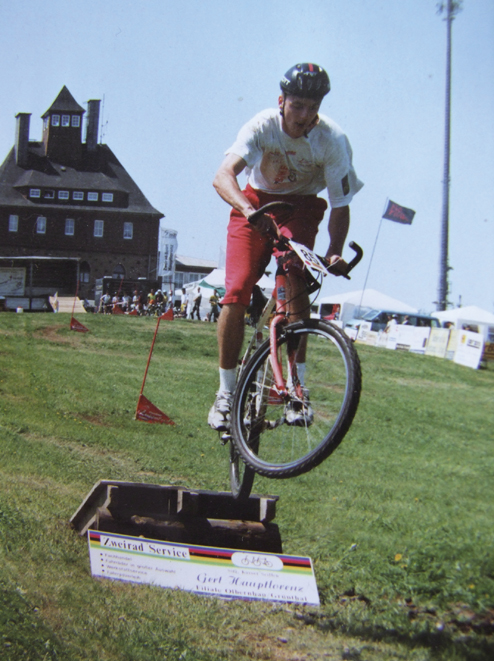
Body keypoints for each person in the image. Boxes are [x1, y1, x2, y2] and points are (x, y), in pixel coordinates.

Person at [208, 62, 363, 432]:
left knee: (294, 281)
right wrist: (250, 212)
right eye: (297, 106)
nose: (304, 115)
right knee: (237, 290)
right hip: (255, 203)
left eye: (313, 107)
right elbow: (222, 176)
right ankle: (226, 392)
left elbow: (340, 205)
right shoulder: (262, 126)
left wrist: (335, 250)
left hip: (302, 207)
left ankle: (297, 389)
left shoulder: (332, 140)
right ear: (281, 102)